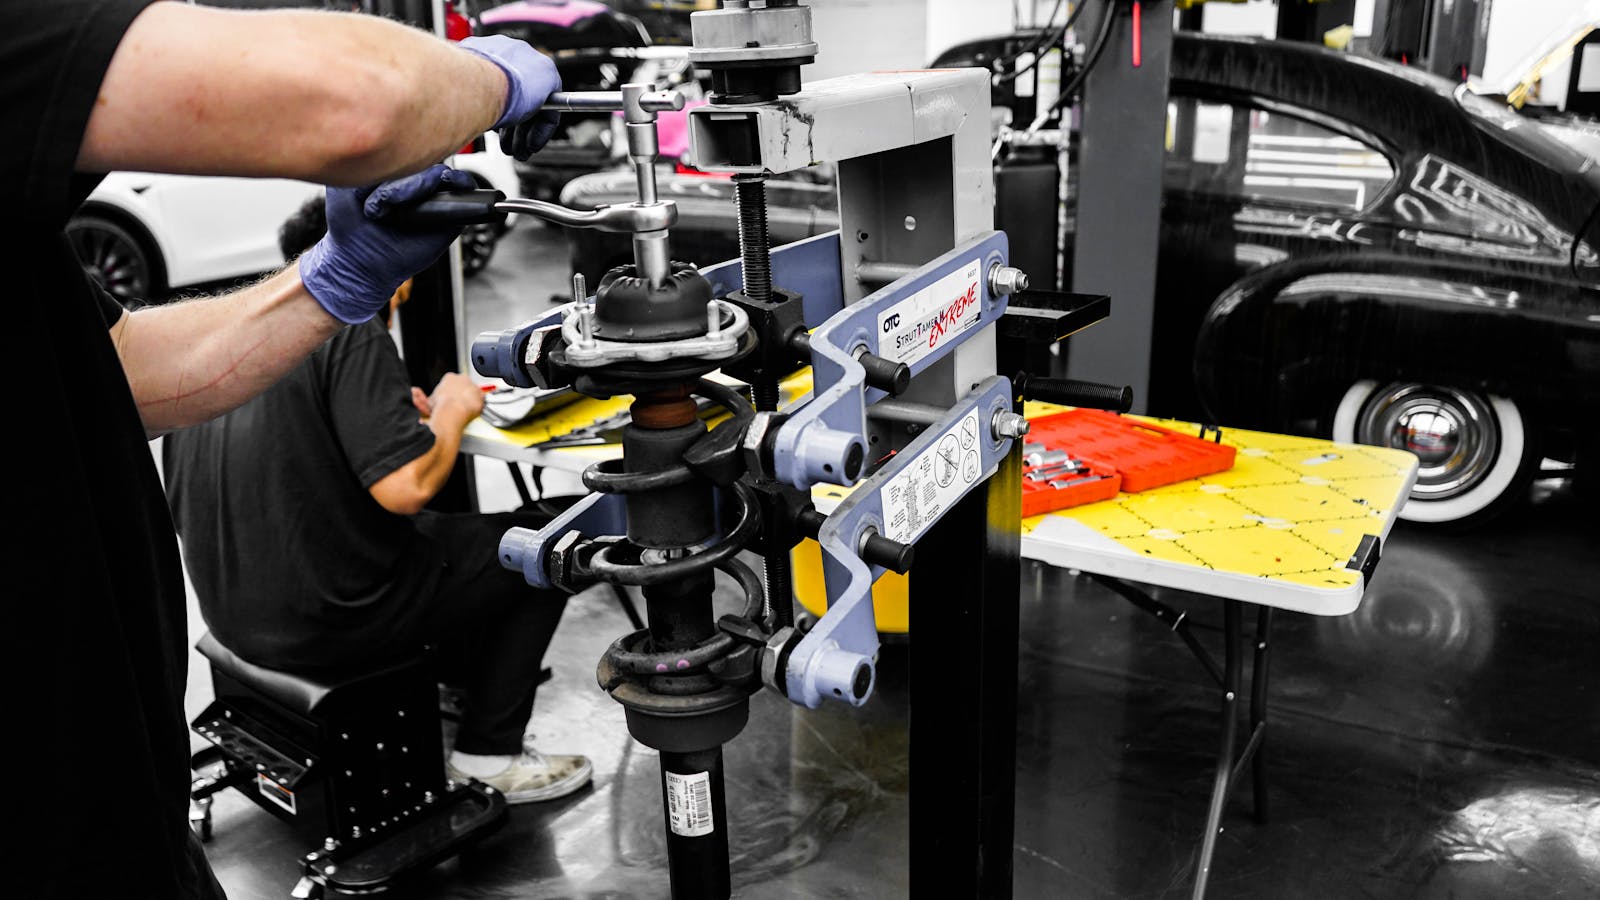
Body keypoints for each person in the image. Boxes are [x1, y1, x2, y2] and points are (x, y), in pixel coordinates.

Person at [7, 2, 564, 896]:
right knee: (541, 547)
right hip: (53, 838)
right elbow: (361, 103)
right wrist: (494, 75)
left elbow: (119, 375)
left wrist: (336, 281)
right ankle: (492, 748)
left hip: (163, 738)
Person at [162, 195, 591, 805]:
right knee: (542, 542)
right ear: (394, 268)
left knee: (463, 539)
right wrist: (450, 408)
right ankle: (490, 755)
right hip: (330, 619)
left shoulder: (235, 329)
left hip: (233, 616)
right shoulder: (351, 318)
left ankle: (460, 685)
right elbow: (407, 488)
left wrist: (390, 416)